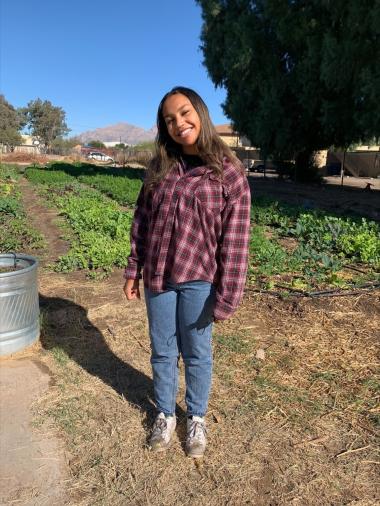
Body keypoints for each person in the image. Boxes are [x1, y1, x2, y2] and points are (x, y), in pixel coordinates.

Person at [123, 86, 251, 458]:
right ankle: (165, 413)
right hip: (159, 275)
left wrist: (229, 294)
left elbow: (236, 239)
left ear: (200, 112)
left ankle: (195, 417)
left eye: (184, 113)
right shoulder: (160, 167)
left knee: (197, 353)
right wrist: (134, 268)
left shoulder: (229, 174)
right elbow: (141, 221)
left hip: (200, 278)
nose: (178, 123)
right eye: (169, 119)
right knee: (162, 351)